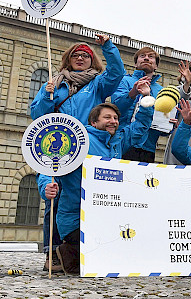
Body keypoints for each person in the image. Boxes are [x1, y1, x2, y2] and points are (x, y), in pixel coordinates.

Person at [39, 98, 154, 274]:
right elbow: (49, 168)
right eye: (107, 117)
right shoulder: (77, 142)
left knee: (127, 247)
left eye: (115, 118)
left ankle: (74, 255)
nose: (113, 121)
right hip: (76, 220)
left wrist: (146, 104)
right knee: (108, 253)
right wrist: (47, 186)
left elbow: (139, 128)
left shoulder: (117, 142)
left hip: (105, 217)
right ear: (94, 122)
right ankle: (69, 250)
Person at [30, 34, 124, 124]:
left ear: (92, 60)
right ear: (68, 60)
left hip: (87, 137)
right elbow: (37, 116)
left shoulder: (98, 84)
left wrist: (108, 47)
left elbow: (116, 72)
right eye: (75, 55)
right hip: (60, 137)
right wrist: (46, 98)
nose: (79, 58)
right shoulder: (53, 84)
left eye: (85, 55)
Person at [111, 46, 169, 163]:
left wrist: (170, 125)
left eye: (150, 57)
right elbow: (116, 107)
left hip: (148, 148)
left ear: (156, 66)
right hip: (124, 142)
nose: (146, 59)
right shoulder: (124, 81)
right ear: (136, 64)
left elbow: (163, 127)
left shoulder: (162, 91)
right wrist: (133, 93)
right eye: (142, 56)